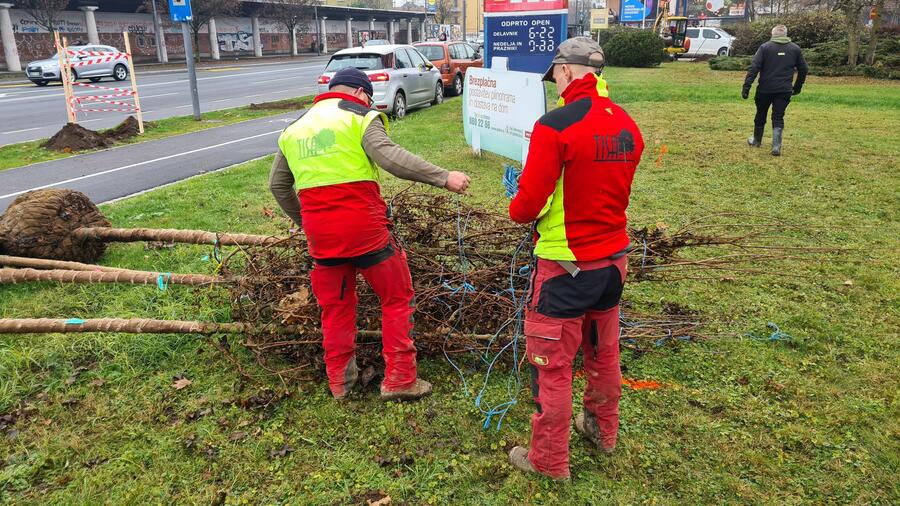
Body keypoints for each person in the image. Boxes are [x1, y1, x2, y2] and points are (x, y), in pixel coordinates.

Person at [269, 67, 471, 401]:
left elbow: (278, 186)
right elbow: (391, 158)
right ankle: (400, 380)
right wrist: (443, 176)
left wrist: (307, 222)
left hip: (322, 239)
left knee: (335, 308)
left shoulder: (295, 127)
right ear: (362, 94)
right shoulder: (359, 116)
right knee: (396, 296)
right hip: (365, 231)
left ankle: (340, 384)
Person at [506, 37, 644, 481]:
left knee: (552, 365)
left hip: (565, 269)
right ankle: (603, 432)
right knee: (603, 355)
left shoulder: (555, 126)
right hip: (613, 264)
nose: (555, 83)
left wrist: (518, 201)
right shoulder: (628, 125)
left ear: (565, 71)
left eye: (556, 76)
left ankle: (548, 461)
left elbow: (526, 207)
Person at [742, 25, 808, 156]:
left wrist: (746, 86)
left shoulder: (765, 47)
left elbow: (754, 68)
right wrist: (797, 87)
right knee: (778, 116)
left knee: (761, 113)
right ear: (785, 34)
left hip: (765, 89)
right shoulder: (795, 49)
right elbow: (804, 69)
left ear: (773, 34)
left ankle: (756, 140)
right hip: (784, 90)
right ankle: (776, 146)